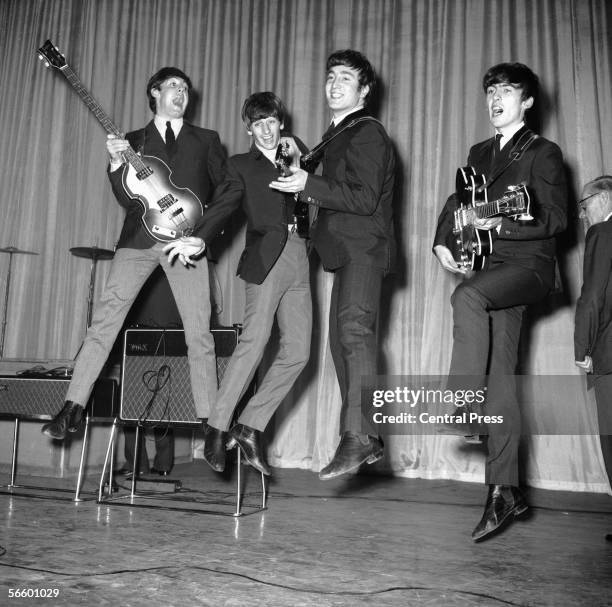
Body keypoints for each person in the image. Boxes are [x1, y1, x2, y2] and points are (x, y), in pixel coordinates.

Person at [42, 67, 226, 440]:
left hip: (185, 242)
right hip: (138, 240)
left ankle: (212, 425)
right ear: (155, 92)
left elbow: (225, 193)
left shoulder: (207, 139)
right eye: (174, 85)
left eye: (186, 88)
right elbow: (129, 198)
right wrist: (114, 163)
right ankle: (71, 408)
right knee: (103, 324)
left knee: (199, 335)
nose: (182, 92)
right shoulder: (132, 140)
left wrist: (204, 236)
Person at [433, 62, 567, 541]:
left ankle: (466, 406)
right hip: (494, 269)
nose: (496, 97)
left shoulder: (544, 153)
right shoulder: (479, 152)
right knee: (502, 378)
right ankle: (503, 489)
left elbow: (555, 217)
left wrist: (503, 225)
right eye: (491, 90)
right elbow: (458, 204)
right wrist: (442, 239)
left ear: (526, 101)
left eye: (507, 91)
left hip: (528, 268)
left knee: (466, 296)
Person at [269, 50, 396, 480]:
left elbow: (362, 197)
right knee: (342, 344)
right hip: (344, 252)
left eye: (346, 78)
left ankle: (359, 435)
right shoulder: (338, 134)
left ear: (364, 91)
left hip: (362, 248)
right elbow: (336, 182)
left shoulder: (368, 132)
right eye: (330, 77)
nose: (335, 84)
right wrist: (302, 161)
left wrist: (308, 181)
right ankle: (367, 436)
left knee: (355, 335)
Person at [192, 92, 311, 475]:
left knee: (298, 352)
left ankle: (249, 426)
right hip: (265, 259)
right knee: (254, 343)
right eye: (257, 123)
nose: (265, 129)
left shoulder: (300, 157)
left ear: (281, 122)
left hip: (300, 258)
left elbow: (320, 197)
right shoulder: (241, 165)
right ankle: (216, 426)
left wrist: (301, 158)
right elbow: (225, 203)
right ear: (249, 129)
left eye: (271, 121)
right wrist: (202, 235)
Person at [574, 175, 612, 542]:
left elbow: (593, 296)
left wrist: (582, 348)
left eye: (584, 206)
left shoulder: (602, 234)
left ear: (602, 198)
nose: (583, 216)